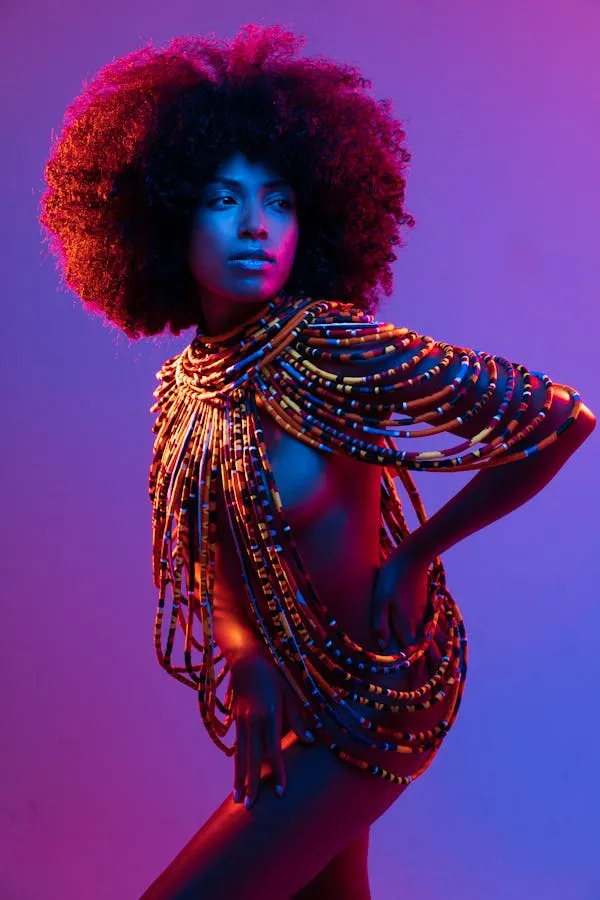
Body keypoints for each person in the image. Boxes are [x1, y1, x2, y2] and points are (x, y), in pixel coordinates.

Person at [39, 23, 596, 900]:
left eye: (282, 200)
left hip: (378, 695)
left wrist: (417, 553)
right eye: (223, 199)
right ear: (166, 214)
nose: (257, 226)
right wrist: (245, 653)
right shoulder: (184, 387)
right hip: (297, 696)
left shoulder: (332, 347)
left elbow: (560, 418)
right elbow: (212, 533)